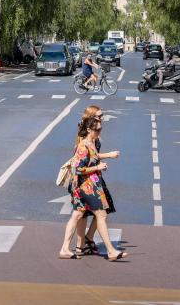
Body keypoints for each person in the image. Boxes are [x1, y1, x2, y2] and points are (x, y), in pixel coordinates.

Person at [58, 116, 125, 261]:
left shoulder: (91, 143)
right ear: (89, 130)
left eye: (101, 129)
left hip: (90, 184)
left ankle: (64, 249)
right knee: (101, 215)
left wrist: (104, 161)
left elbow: (92, 159)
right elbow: (78, 169)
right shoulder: (83, 146)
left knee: (77, 215)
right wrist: (98, 167)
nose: (99, 132)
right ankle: (110, 251)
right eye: (97, 130)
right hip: (86, 187)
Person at [73, 106, 119, 256]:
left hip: (95, 177)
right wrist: (108, 156)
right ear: (92, 118)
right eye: (99, 116)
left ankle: (88, 239)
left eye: (102, 115)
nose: (102, 118)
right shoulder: (84, 138)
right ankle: (81, 246)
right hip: (85, 181)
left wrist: (101, 162)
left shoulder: (94, 133)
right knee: (83, 213)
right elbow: (84, 161)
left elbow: (94, 155)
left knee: (102, 210)